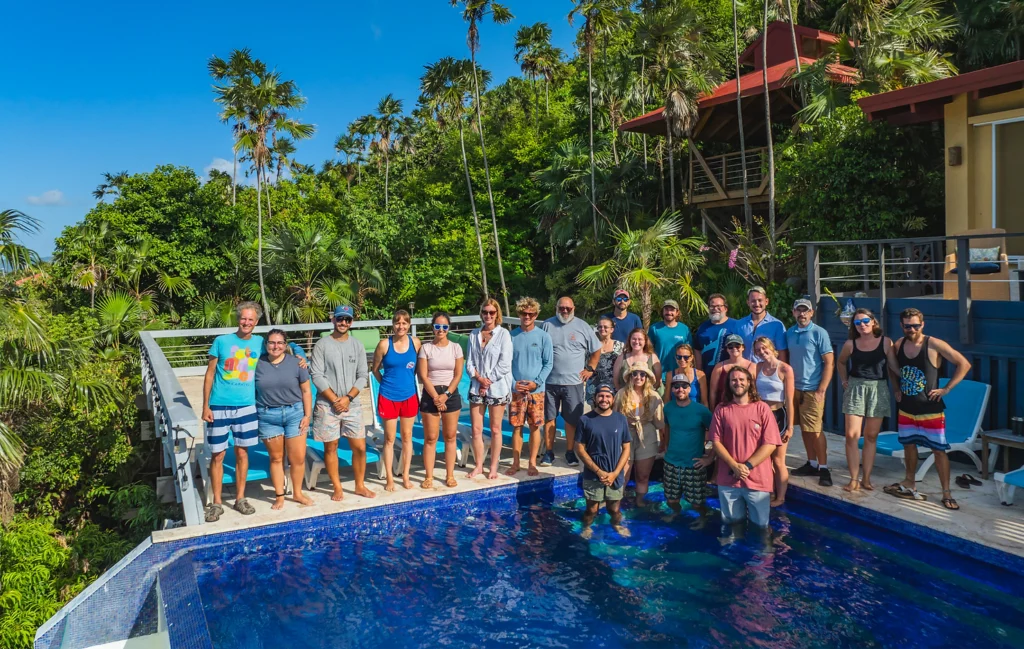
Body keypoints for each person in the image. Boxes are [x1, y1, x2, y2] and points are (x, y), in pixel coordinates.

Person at [883, 308, 971, 510]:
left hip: (930, 408)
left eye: (915, 325)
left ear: (923, 325)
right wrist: (896, 388)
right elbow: (891, 365)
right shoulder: (899, 344)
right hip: (906, 407)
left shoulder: (933, 344)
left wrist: (947, 388)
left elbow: (963, 364)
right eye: (908, 326)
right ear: (901, 326)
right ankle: (909, 482)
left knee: (939, 451)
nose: (912, 329)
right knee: (908, 445)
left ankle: (946, 492)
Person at [201, 301, 265, 521]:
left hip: (246, 406)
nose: (246, 322)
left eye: (251, 319)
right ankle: (217, 503)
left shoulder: (260, 342)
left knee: (242, 452)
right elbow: (209, 374)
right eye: (243, 318)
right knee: (218, 454)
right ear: (238, 319)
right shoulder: (221, 341)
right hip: (219, 405)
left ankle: (240, 498)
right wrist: (205, 405)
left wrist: (300, 357)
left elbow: (282, 348)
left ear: (257, 322)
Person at [310, 305, 373, 501]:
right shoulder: (322, 345)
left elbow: (363, 375)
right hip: (328, 404)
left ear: (351, 322)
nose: (343, 323)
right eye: (340, 319)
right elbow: (317, 375)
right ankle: (337, 487)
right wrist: (335, 399)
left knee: (360, 447)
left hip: (351, 404)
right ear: (333, 320)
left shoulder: (357, 345)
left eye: (347, 319)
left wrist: (347, 398)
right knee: (331, 447)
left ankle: (359, 485)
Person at [710, 366, 782, 532]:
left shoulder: (762, 408)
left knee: (761, 529)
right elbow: (716, 441)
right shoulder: (721, 409)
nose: (738, 383)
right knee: (730, 528)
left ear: (749, 382)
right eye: (733, 380)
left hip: (757, 481)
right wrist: (734, 466)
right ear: (729, 384)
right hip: (728, 480)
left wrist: (746, 466)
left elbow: (770, 444)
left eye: (742, 379)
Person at [837, 309, 895, 494]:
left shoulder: (886, 342)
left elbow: (893, 367)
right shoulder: (850, 344)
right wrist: (844, 380)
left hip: (879, 389)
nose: (862, 324)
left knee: (871, 436)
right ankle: (854, 479)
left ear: (873, 321)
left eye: (865, 320)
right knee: (851, 436)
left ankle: (866, 478)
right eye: (857, 322)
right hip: (856, 388)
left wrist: (903, 385)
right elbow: (841, 362)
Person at [255, 329, 313, 510]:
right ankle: (279, 495)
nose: (276, 346)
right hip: (268, 416)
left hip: (294, 413)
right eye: (272, 342)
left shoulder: (297, 363)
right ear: (266, 345)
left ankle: (297, 493)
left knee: (298, 458)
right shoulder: (257, 364)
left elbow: (306, 391)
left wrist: (307, 415)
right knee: (276, 458)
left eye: (280, 343)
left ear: (285, 345)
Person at [541, 297, 602, 467]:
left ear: (573, 308)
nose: (565, 311)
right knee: (549, 418)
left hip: (573, 383)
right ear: (556, 308)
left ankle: (570, 452)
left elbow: (596, 349)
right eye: (561, 308)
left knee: (571, 420)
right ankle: (548, 452)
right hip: (550, 382)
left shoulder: (582, 326)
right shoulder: (547, 325)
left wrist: (590, 368)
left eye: (568, 308)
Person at [370, 310, 421, 492]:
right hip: (388, 396)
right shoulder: (384, 344)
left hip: (409, 396)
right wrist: (385, 384)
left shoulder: (415, 343)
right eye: (398, 323)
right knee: (389, 438)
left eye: (404, 323)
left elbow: (417, 370)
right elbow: (375, 369)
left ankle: (405, 476)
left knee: (407, 437)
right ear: (393, 324)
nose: (401, 326)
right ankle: (390, 478)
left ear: (409, 325)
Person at [786, 298, 835, 487]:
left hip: (813, 389)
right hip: (794, 389)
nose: (802, 314)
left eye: (805, 311)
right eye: (798, 310)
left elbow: (829, 362)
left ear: (811, 313)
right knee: (804, 429)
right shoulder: (790, 333)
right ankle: (812, 463)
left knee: (815, 430)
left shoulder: (819, 332)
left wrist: (822, 388)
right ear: (793, 313)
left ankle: (824, 468)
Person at [575, 384, 631, 539]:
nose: (604, 399)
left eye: (607, 396)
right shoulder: (585, 420)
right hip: (593, 474)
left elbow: (626, 448)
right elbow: (579, 448)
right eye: (601, 396)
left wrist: (615, 473)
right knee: (591, 509)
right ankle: (586, 527)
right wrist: (599, 471)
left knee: (614, 509)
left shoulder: (620, 419)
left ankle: (617, 524)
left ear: (612, 399)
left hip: (615, 474)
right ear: (595, 398)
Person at [467, 298, 514, 480]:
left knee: (495, 429)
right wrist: (479, 379)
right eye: (485, 312)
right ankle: (479, 465)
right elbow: (469, 362)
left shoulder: (504, 335)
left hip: (497, 388)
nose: (488, 315)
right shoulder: (474, 335)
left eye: (491, 312)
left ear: (497, 314)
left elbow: (505, 364)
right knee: (476, 430)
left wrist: (488, 381)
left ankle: (493, 466)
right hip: (476, 387)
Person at [417, 311, 464, 489]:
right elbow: (423, 375)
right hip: (431, 394)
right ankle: (429, 476)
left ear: (448, 328)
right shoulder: (426, 348)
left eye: (444, 327)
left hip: (450, 394)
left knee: (450, 436)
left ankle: (449, 475)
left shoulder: (456, 348)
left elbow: (458, 374)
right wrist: (436, 397)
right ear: (433, 328)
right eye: (438, 326)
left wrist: (446, 395)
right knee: (430, 438)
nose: (441, 330)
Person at [506, 297, 553, 477]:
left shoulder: (543, 337)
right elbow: (506, 364)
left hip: (537, 391)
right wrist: (513, 383)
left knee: (535, 427)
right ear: (519, 314)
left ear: (536, 315)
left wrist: (537, 382)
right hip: (516, 390)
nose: (527, 316)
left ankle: (532, 462)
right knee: (516, 426)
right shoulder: (511, 337)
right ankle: (516, 462)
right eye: (524, 313)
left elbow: (548, 363)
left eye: (531, 314)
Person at [660, 375, 713, 516]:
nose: (680, 389)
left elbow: (717, 435)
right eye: (676, 386)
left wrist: (709, 458)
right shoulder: (668, 408)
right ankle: (676, 515)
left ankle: (703, 519)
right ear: (672, 389)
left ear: (690, 389)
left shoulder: (702, 411)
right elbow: (667, 426)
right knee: (671, 500)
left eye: (684, 386)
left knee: (697, 504)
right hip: (671, 463)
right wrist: (666, 446)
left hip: (694, 465)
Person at [614, 363, 665, 507]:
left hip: (647, 435)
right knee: (623, 475)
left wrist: (663, 442)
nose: (638, 377)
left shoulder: (654, 397)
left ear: (647, 377)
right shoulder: (621, 394)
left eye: (642, 374)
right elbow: (614, 418)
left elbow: (660, 423)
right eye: (635, 373)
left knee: (643, 476)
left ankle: (640, 502)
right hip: (625, 435)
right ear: (630, 376)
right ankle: (616, 504)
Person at [753, 337, 796, 507]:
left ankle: (781, 496)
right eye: (758, 350)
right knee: (763, 459)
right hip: (760, 416)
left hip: (778, 416)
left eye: (764, 348)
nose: (762, 352)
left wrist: (790, 426)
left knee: (778, 460)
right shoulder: (758, 367)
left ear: (771, 348)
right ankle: (768, 492)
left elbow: (789, 401)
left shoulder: (785, 369)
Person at [737, 286, 788, 362]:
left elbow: (782, 353)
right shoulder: (739, 324)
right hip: (745, 371)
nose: (757, 304)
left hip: (767, 372)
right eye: (753, 301)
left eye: (760, 300)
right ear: (748, 302)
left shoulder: (777, 325)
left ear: (766, 302)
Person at [694, 293, 742, 373]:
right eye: (712, 306)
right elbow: (697, 349)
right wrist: (699, 371)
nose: (715, 309)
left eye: (719, 306)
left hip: (731, 375)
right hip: (707, 374)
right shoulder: (703, 327)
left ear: (725, 308)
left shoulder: (736, 325)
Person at [708, 334, 757, 410]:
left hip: (747, 408)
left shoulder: (753, 367)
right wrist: (712, 410)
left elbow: (755, 390)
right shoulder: (719, 367)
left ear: (743, 347)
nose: (734, 348)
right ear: (727, 349)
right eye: (730, 346)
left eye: (737, 346)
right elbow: (713, 392)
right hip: (723, 409)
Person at [648, 299, 692, 378]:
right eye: (666, 309)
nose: (669, 312)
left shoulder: (684, 329)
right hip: (659, 375)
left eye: (672, 310)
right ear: (662, 311)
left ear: (677, 312)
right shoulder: (654, 328)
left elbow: (690, 353)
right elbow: (648, 351)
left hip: (680, 375)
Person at [586, 315, 625, 404]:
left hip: (614, 384)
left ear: (612, 329)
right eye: (600, 327)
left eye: (605, 327)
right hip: (594, 384)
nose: (602, 329)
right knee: (595, 413)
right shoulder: (592, 346)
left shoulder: (620, 345)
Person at [662, 343, 708, 407]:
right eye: (679, 357)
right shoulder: (670, 375)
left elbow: (704, 401)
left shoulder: (700, 375)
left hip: (694, 413)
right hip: (675, 412)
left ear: (691, 357)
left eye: (686, 357)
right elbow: (667, 399)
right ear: (675, 358)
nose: (682, 360)